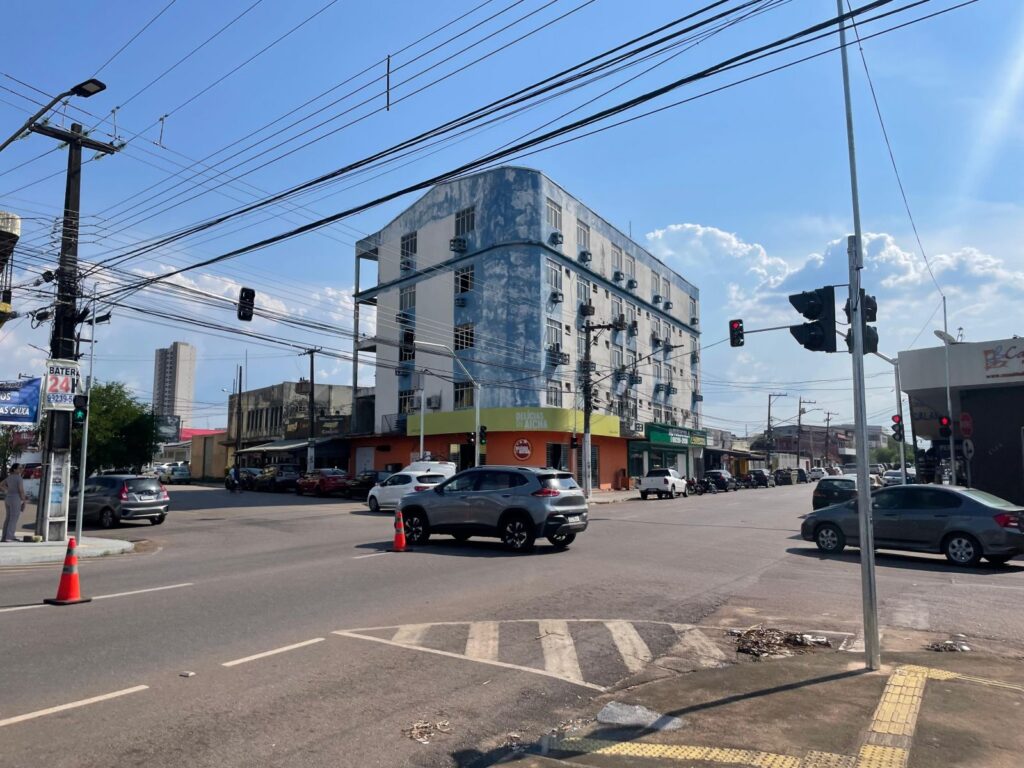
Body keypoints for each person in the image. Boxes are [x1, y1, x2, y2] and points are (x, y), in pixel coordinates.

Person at [2, 463, 26, 543]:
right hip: (15, 499)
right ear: (15, 469)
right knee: (13, 518)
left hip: (8, 498)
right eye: (19, 468)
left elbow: (1, 485)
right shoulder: (19, 478)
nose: (21, 469)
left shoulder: (9, 477)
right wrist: (24, 501)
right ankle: (9, 537)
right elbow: (21, 490)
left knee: (8, 518)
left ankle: (4, 537)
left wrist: (6, 490)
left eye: (21, 468)